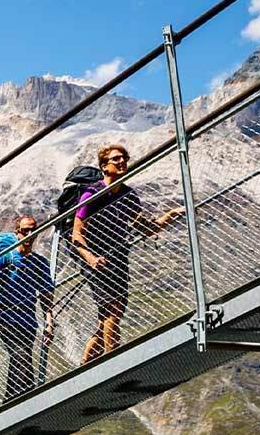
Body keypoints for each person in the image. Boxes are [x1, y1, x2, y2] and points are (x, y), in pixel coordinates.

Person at [70, 145, 182, 362]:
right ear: (104, 166)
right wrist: (91, 258)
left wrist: (171, 214)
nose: (122, 162)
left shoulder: (128, 196)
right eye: (116, 159)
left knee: (111, 315)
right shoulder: (92, 193)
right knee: (112, 308)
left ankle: (85, 365)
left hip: (118, 256)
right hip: (95, 256)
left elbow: (148, 229)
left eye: (124, 158)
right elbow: (77, 232)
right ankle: (113, 361)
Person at [0, 215, 56, 401]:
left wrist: (50, 322)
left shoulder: (39, 263)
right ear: (17, 233)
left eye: (33, 230)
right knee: (21, 357)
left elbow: (46, 296)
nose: (29, 234)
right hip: (5, 318)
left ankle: (9, 401)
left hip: (28, 321)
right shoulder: (5, 257)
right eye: (25, 230)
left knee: (19, 357)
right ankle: (28, 402)